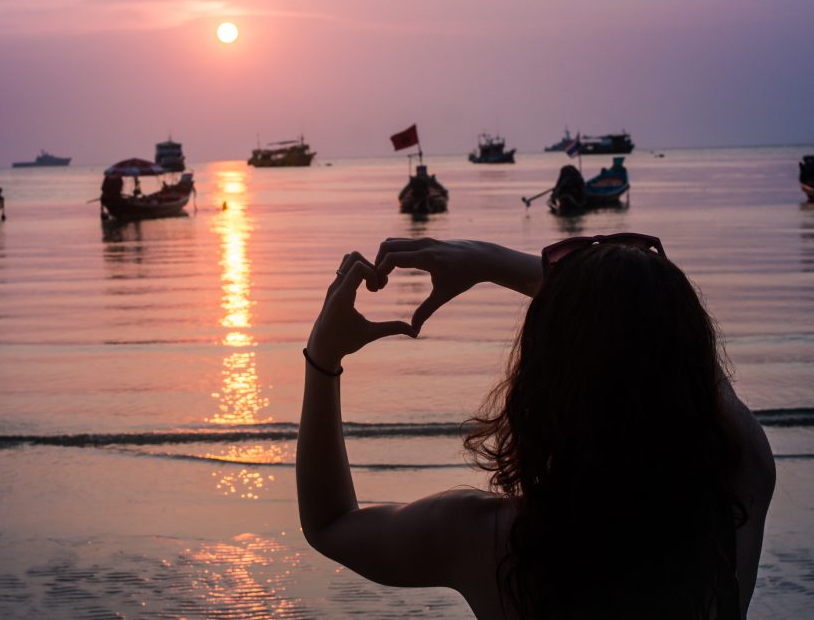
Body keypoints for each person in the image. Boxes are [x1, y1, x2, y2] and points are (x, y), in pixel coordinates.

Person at [297, 235, 775, 619]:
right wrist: (491, 261)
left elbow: (330, 523)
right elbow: (678, 352)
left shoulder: (488, 540)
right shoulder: (737, 495)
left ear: (539, 382)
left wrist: (323, 357)